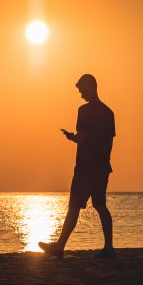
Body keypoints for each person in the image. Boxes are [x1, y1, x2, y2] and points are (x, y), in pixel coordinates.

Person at [39, 74, 116, 258]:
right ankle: (109, 248)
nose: (81, 94)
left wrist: (71, 137)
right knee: (100, 206)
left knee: (73, 208)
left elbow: (82, 138)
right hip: (102, 167)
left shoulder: (84, 111)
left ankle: (59, 247)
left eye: (81, 90)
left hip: (85, 168)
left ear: (90, 87)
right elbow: (109, 142)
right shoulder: (108, 112)